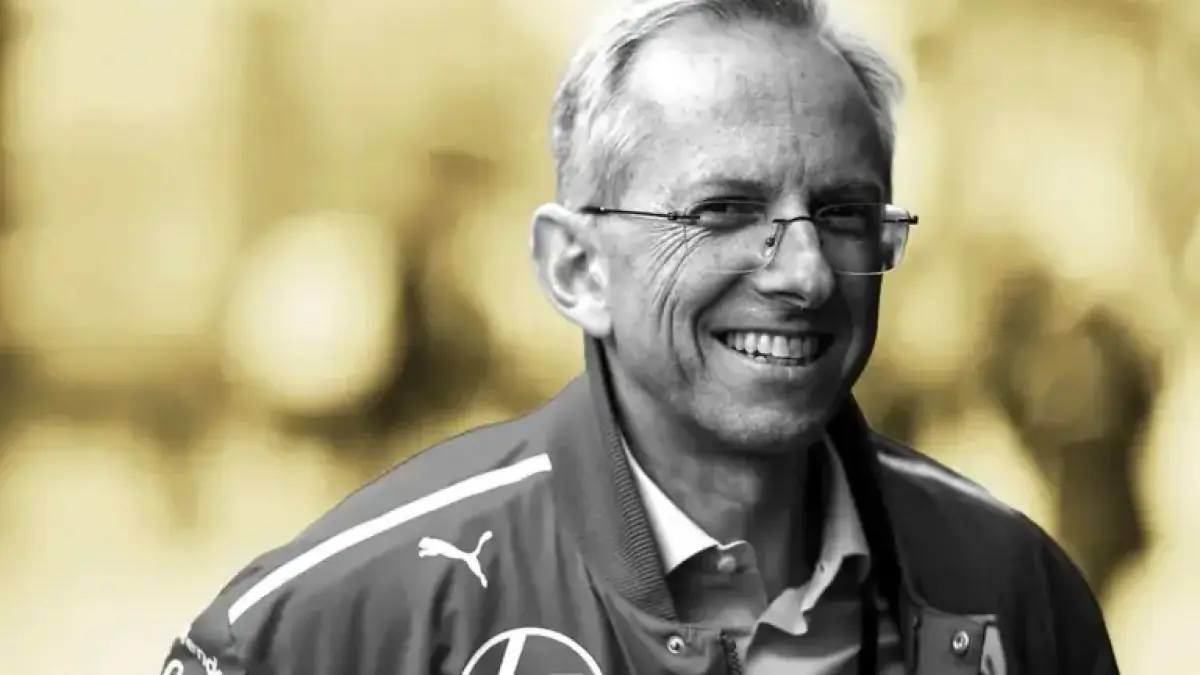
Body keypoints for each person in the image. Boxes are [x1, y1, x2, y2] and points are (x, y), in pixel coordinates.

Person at [158, 0, 1120, 673]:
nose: (804, 273)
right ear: (576, 268)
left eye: (844, 214)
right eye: (722, 212)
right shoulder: (348, 623)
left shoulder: (1013, 587)